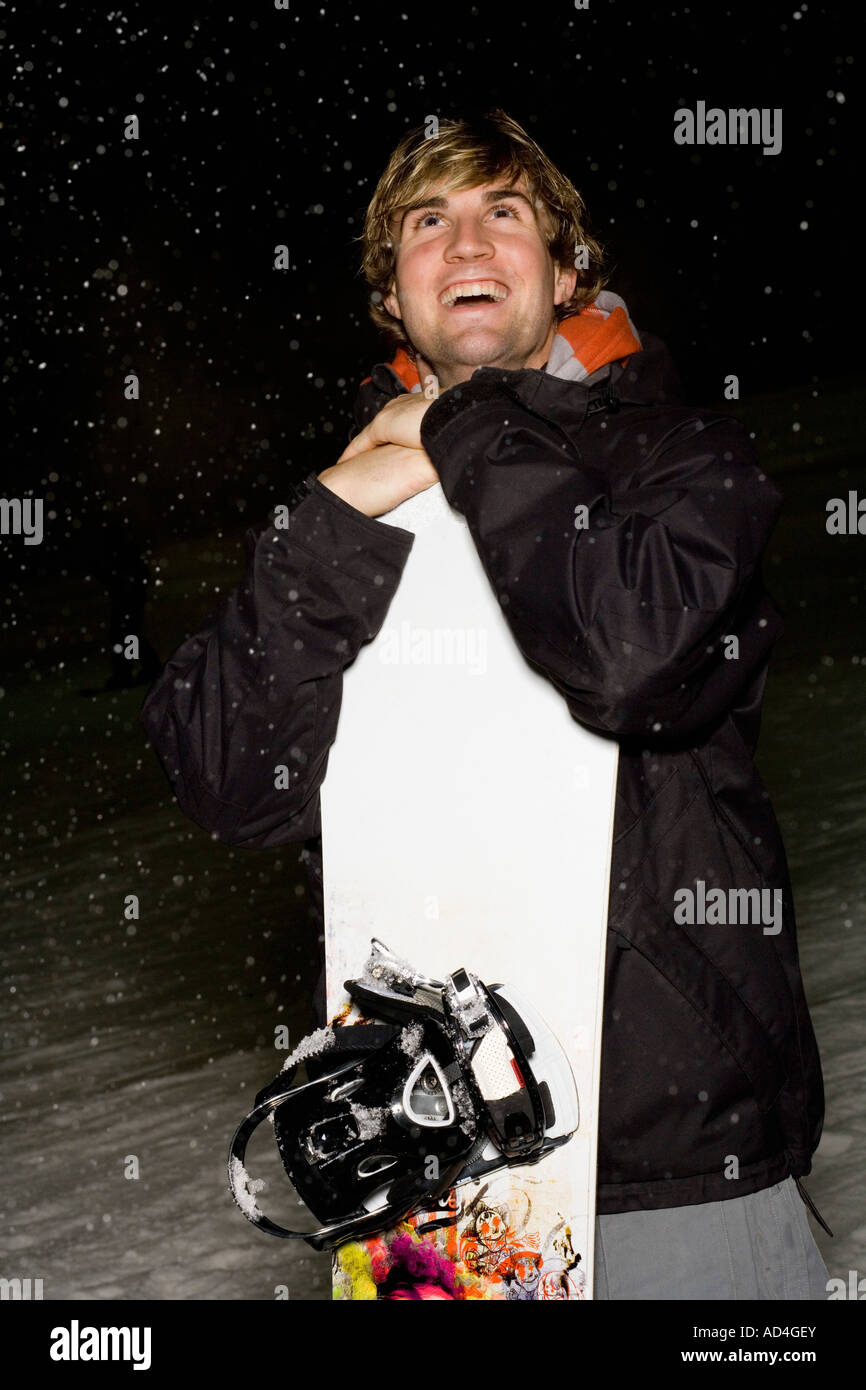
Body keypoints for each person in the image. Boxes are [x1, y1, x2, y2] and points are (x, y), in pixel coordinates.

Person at [141, 109, 829, 1300]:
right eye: (427, 222)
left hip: (677, 1152)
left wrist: (463, 426)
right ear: (389, 298)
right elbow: (228, 781)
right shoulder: (352, 499)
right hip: (431, 1165)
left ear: (565, 275)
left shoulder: (684, 457)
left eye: (502, 213)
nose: (464, 241)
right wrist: (329, 522)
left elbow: (631, 658)